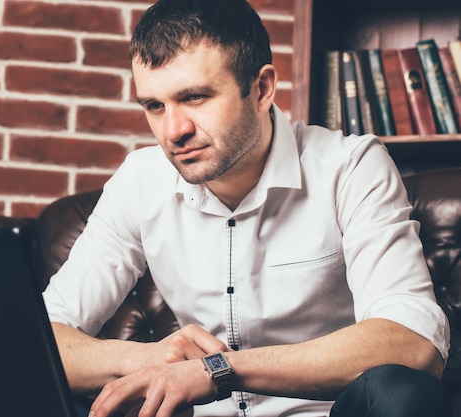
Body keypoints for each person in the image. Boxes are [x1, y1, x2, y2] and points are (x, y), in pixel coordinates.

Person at [42, 0, 452, 416]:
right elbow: (38, 337)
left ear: (261, 89)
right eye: (154, 106)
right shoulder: (139, 181)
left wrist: (219, 370)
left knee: (400, 394)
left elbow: (413, 342)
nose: (173, 131)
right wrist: (147, 361)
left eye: (195, 97)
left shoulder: (349, 168)